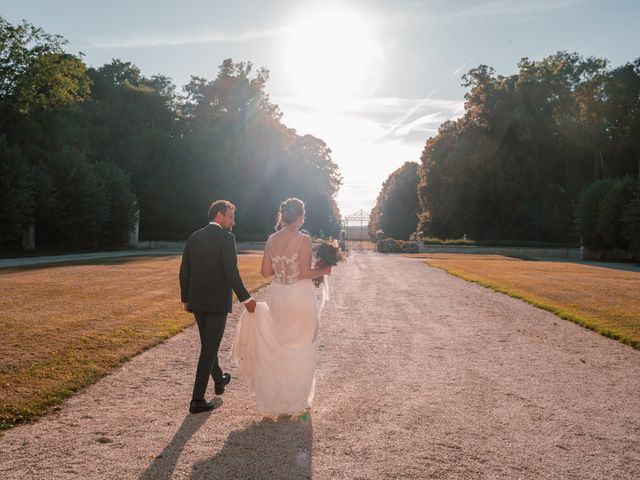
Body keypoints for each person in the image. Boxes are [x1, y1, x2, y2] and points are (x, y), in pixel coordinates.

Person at [232, 198, 332, 417]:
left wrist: (284, 268)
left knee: (281, 344)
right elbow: (305, 272)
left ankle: (278, 397)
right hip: (299, 296)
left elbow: (266, 273)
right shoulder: (303, 239)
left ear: (283, 215)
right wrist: (324, 270)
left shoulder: (271, 239)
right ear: (300, 217)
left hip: (279, 295)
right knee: (303, 344)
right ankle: (295, 399)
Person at [180, 200, 257, 414]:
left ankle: (219, 379)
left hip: (196, 301)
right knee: (209, 347)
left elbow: (184, 271)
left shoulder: (194, 237)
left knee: (208, 343)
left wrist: (186, 299)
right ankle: (197, 400)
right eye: (230, 216)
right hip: (216, 303)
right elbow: (231, 272)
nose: (233, 221)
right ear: (219, 215)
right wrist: (246, 299)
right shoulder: (226, 238)